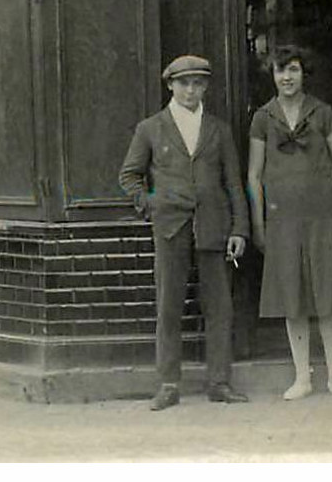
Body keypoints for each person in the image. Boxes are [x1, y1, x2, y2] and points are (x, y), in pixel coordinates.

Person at [118, 54, 250, 410]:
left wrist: (239, 228)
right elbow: (129, 175)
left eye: (198, 83)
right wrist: (152, 204)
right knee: (169, 307)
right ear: (171, 85)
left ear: (205, 86)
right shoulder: (151, 128)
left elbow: (234, 183)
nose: (191, 90)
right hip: (171, 227)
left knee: (219, 307)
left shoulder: (219, 129)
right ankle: (168, 384)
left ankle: (219, 382)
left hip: (214, 226)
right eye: (184, 83)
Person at [245, 46, 332, 400]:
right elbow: (253, 175)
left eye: (294, 70)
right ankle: (302, 377)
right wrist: (258, 223)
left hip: (324, 215)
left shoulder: (323, 112)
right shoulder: (263, 118)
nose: (287, 77)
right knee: (292, 294)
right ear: (272, 75)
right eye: (281, 71)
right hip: (282, 218)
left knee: (327, 292)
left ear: (304, 74)